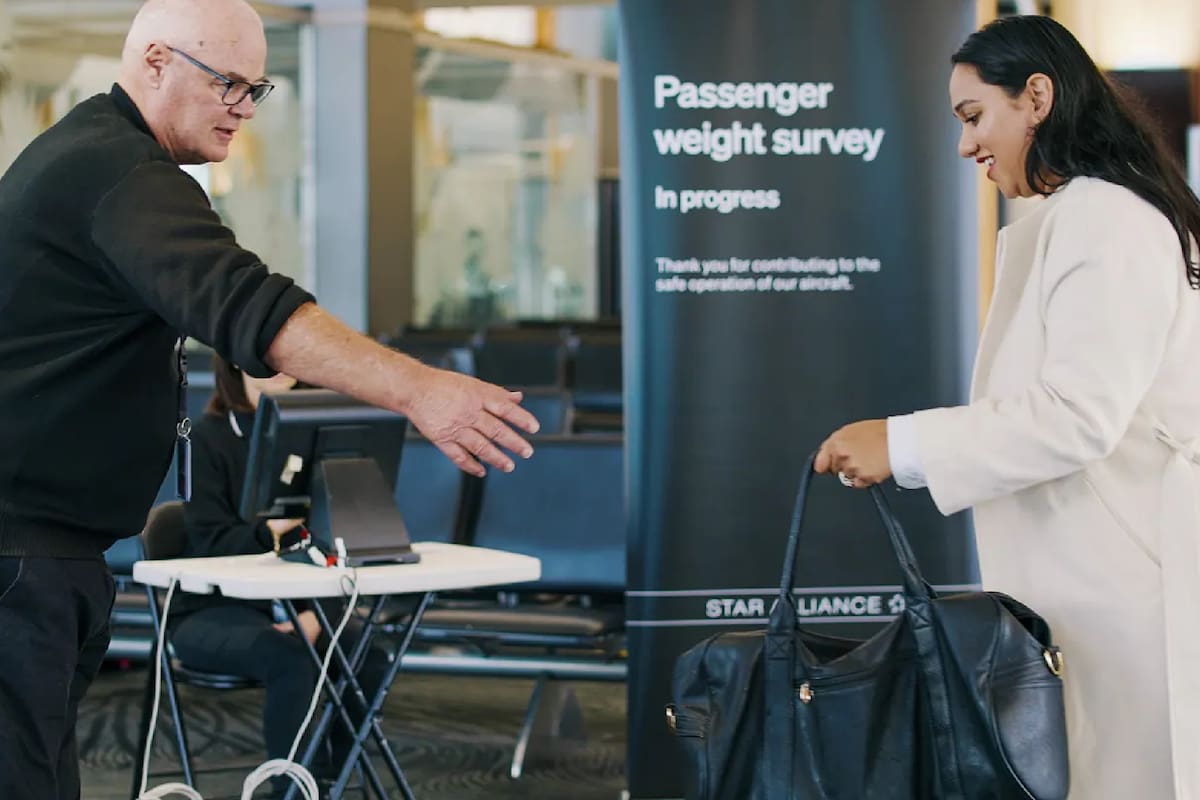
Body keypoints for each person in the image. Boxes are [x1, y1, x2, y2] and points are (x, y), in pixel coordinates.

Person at [0, 1, 538, 798]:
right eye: (228, 85)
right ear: (154, 62)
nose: (244, 111)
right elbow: (252, 308)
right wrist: (422, 390)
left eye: (258, 89)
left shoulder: (104, 161)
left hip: (52, 554)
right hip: (20, 560)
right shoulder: (117, 173)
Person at [815, 15, 1200, 800]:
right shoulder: (1084, 216)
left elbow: (1076, 416)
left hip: (1123, 588)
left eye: (973, 117)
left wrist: (903, 444)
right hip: (1097, 583)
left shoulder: (1105, 217)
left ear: (1037, 96)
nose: (967, 146)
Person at [169, 355, 389, 798]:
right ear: (235, 364)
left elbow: (330, 540)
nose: (279, 368)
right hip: (213, 613)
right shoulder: (208, 438)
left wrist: (317, 614)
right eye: (264, 360)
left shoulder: (314, 434)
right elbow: (209, 541)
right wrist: (264, 537)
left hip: (299, 607)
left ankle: (328, 779)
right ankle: (290, 791)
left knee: (367, 657)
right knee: (289, 659)